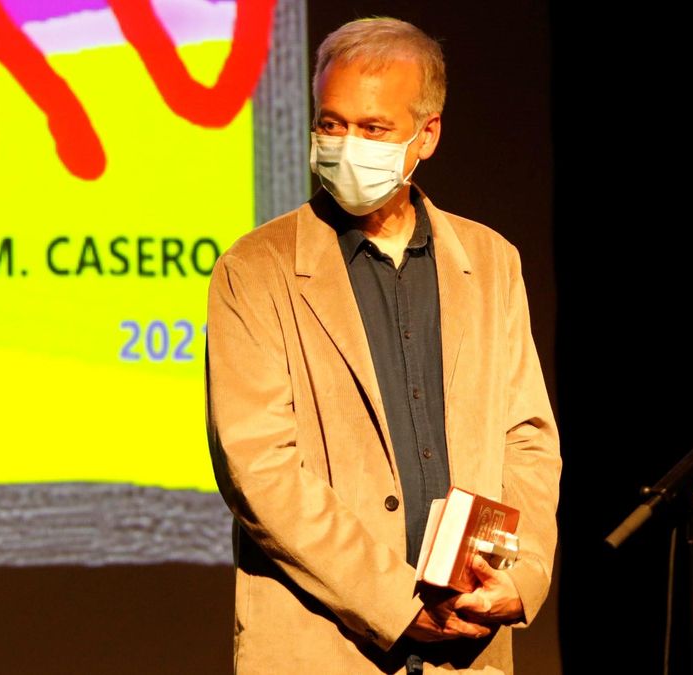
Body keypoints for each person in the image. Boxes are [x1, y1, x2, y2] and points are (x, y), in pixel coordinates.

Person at [204, 17, 561, 674]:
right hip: (323, 649)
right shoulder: (254, 269)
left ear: (427, 135)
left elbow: (528, 440)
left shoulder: (490, 261)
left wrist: (520, 575)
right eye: (331, 124)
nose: (345, 145)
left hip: (469, 650)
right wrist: (399, 602)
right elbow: (259, 469)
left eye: (372, 130)